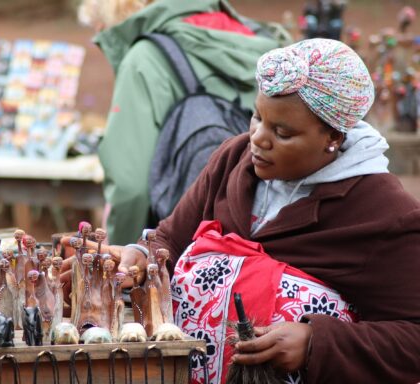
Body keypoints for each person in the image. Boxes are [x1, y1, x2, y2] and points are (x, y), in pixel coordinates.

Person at [116, 38, 420, 383]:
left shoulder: (384, 214)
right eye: (257, 117)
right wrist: (140, 256)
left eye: (282, 132)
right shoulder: (234, 160)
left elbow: (413, 338)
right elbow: (171, 237)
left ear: (332, 138)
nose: (258, 138)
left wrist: (316, 343)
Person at [78, 0, 285, 245]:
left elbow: (129, 187)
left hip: (182, 246)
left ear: (109, 18)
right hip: (267, 233)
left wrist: (121, 258)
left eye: (98, 29)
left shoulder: (145, 58)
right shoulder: (261, 43)